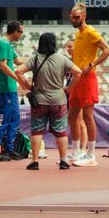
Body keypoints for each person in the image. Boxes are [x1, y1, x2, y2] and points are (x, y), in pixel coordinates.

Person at [67, 4, 109, 167]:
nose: (74, 19)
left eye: (77, 17)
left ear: (84, 16)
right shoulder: (78, 34)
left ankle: (91, 154)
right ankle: (76, 151)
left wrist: (91, 64)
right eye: (72, 17)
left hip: (88, 77)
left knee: (87, 116)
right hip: (77, 77)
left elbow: (107, 50)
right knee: (72, 116)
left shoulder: (91, 32)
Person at [26, 32, 73, 169]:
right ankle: (63, 161)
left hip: (39, 100)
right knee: (61, 131)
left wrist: (27, 86)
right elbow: (79, 72)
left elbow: (18, 71)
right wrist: (69, 87)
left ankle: (35, 161)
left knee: (36, 131)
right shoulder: (62, 59)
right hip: (58, 100)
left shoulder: (35, 59)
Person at [0, 21, 24, 162]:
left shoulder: (8, 45)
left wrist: (38, 58)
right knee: (3, 119)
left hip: (10, 88)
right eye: (21, 32)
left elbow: (19, 61)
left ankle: (9, 149)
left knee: (15, 118)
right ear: (15, 32)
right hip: (4, 87)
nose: (21, 35)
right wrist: (18, 78)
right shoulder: (3, 44)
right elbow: (2, 65)